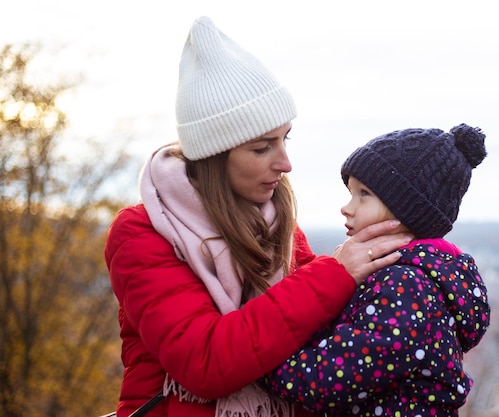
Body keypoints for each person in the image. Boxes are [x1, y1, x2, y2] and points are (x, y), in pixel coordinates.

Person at [104, 16, 412, 417]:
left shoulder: (274, 220)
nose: (285, 163)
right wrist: (335, 273)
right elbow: (207, 363)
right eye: (262, 147)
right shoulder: (142, 234)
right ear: (216, 153)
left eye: (285, 139)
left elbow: (307, 311)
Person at [263, 125, 491, 417]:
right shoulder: (407, 274)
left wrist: (264, 364)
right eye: (350, 193)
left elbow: (337, 376)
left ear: (406, 210)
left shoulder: (405, 285)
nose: (347, 208)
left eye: (364, 194)